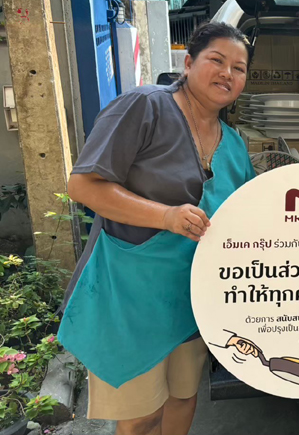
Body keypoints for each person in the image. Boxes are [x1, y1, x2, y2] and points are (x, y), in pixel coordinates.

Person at [58, 22, 257, 435]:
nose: (227, 73)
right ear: (189, 63)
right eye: (217, 60)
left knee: (183, 398)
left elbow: (249, 217)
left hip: (192, 298)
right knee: (141, 417)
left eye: (238, 68)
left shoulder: (234, 144)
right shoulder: (144, 107)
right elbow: (83, 185)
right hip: (130, 295)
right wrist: (165, 216)